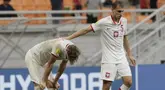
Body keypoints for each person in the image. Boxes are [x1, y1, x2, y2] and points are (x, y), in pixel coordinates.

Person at [66, 1, 136, 90]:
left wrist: (129, 54)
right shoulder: (104, 22)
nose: (120, 14)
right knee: (107, 85)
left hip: (121, 57)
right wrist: (68, 38)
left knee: (128, 82)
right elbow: (85, 30)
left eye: (122, 11)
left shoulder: (124, 21)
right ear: (112, 10)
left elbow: (125, 38)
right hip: (109, 59)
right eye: (118, 11)